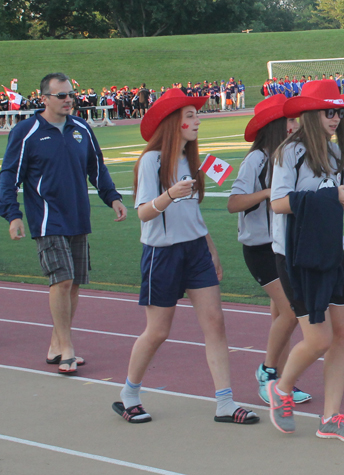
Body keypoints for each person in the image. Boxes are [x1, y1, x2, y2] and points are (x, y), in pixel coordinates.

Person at [112, 88, 259, 425]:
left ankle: (225, 402)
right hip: (162, 254)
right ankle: (129, 394)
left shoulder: (191, 161)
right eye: (190, 116)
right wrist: (169, 194)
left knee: (215, 323)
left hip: (195, 250)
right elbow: (144, 213)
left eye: (196, 115)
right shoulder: (152, 161)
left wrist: (210, 246)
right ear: (172, 123)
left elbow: (192, 212)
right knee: (158, 331)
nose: (197, 121)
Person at [0, 72, 127, 375]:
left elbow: (96, 166)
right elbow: (9, 175)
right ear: (43, 98)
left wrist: (113, 197)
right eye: (61, 95)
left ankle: (57, 344)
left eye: (70, 94)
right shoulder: (27, 132)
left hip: (78, 215)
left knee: (74, 284)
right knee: (62, 280)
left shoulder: (81, 128)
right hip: (46, 217)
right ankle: (68, 348)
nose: (69, 100)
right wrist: (13, 215)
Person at [268, 80, 344, 442]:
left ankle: (331, 418)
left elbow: (327, 199)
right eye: (329, 111)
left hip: (330, 250)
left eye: (339, 111)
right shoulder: (290, 153)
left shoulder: (336, 154)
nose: (336, 117)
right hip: (296, 256)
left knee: (341, 334)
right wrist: (328, 197)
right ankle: (283, 388)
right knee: (319, 339)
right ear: (311, 113)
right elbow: (278, 202)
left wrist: (343, 198)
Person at [227, 95, 311, 406]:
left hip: (282, 245)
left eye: (295, 120)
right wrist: (267, 192)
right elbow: (233, 203)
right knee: (290, 311)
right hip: (259, 247)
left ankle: (282, 380)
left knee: (282, 316)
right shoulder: (257, 159)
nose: (294, 126)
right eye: (288, 121)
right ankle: (267, 372)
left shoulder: (289, 156)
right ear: (273, 126)